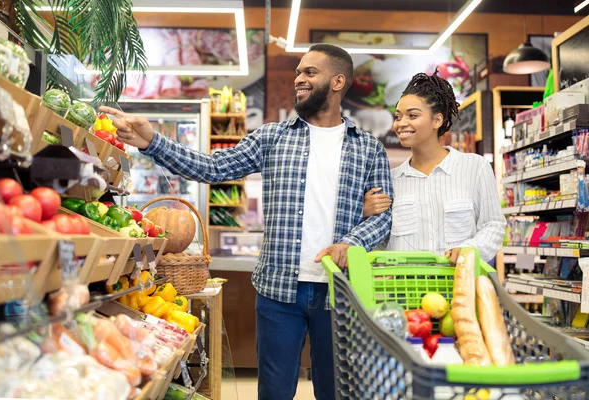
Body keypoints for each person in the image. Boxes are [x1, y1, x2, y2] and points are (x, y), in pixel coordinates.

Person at [101, 43, 393, 400]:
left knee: (337, 392)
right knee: (273, 392)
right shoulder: (272, 137)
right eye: (298, 72)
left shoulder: (368, 147)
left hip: (340, 291)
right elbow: (212, 167)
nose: (299, 78)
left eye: (309, 73)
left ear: (337, 81)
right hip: (278, 290)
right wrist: (152, 141)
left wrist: (352, 243)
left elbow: (383, 218)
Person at [363, 71, 505, 264]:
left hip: (457, 284)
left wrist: (469, 250)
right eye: (398, 117)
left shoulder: (475, 167)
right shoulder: (391, 180)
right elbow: (381, 244)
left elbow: (493, 225)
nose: (401, 123)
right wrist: (365, 215)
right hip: (402, 289)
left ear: (437, 120)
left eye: (412, 115)